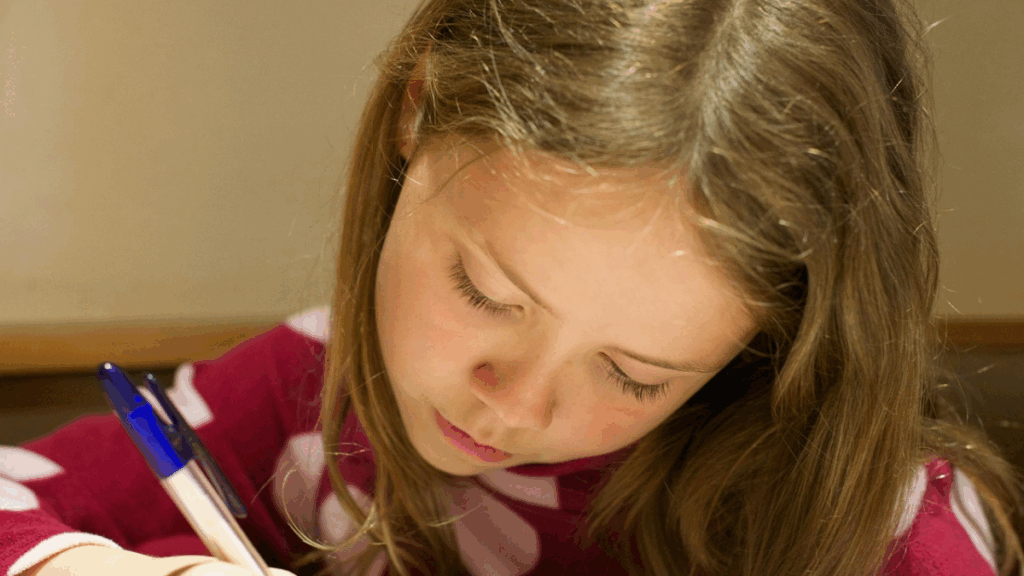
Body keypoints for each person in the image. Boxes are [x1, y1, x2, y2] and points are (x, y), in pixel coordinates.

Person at [3, 0, 1022, 574]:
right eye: (486, 293)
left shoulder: (886, 537)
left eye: (633, 373)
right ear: (418, 113)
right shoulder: (313, 395)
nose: (516, 404)